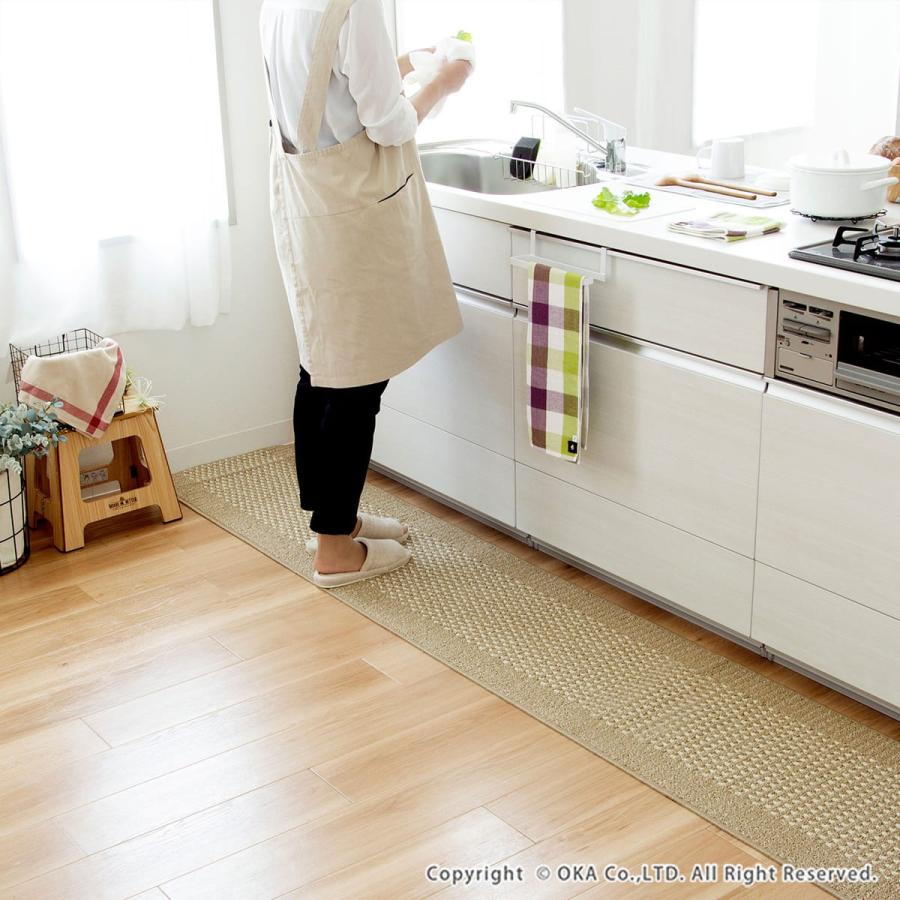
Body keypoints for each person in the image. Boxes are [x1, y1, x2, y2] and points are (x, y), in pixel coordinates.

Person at [260, 0, 472, 587]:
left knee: (323, 361)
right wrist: (443, 84)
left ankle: (337, 520)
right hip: (349, 203)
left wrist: (404, 63)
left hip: (309, 192)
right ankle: (334, 547)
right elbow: (388, 125)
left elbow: (325, 87)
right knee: (354, 379)